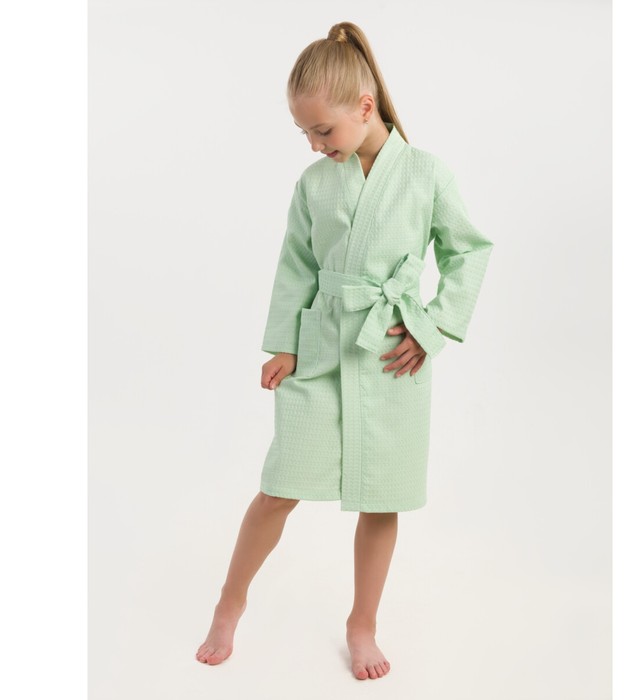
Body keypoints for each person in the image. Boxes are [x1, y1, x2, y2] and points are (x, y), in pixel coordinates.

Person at [195, 20, 494, 680]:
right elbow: (297, 265)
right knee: (278, 488)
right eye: (304, 133)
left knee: (382, 498)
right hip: (322, 350)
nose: (314, 144)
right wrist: (284, 344)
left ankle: (363, 623)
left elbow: (469, 251)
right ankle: (230, 602)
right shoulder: (314, 184)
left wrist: (431, 328)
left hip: (392, 353)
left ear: (364, 107)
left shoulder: (426, 174)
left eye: (322, 130)